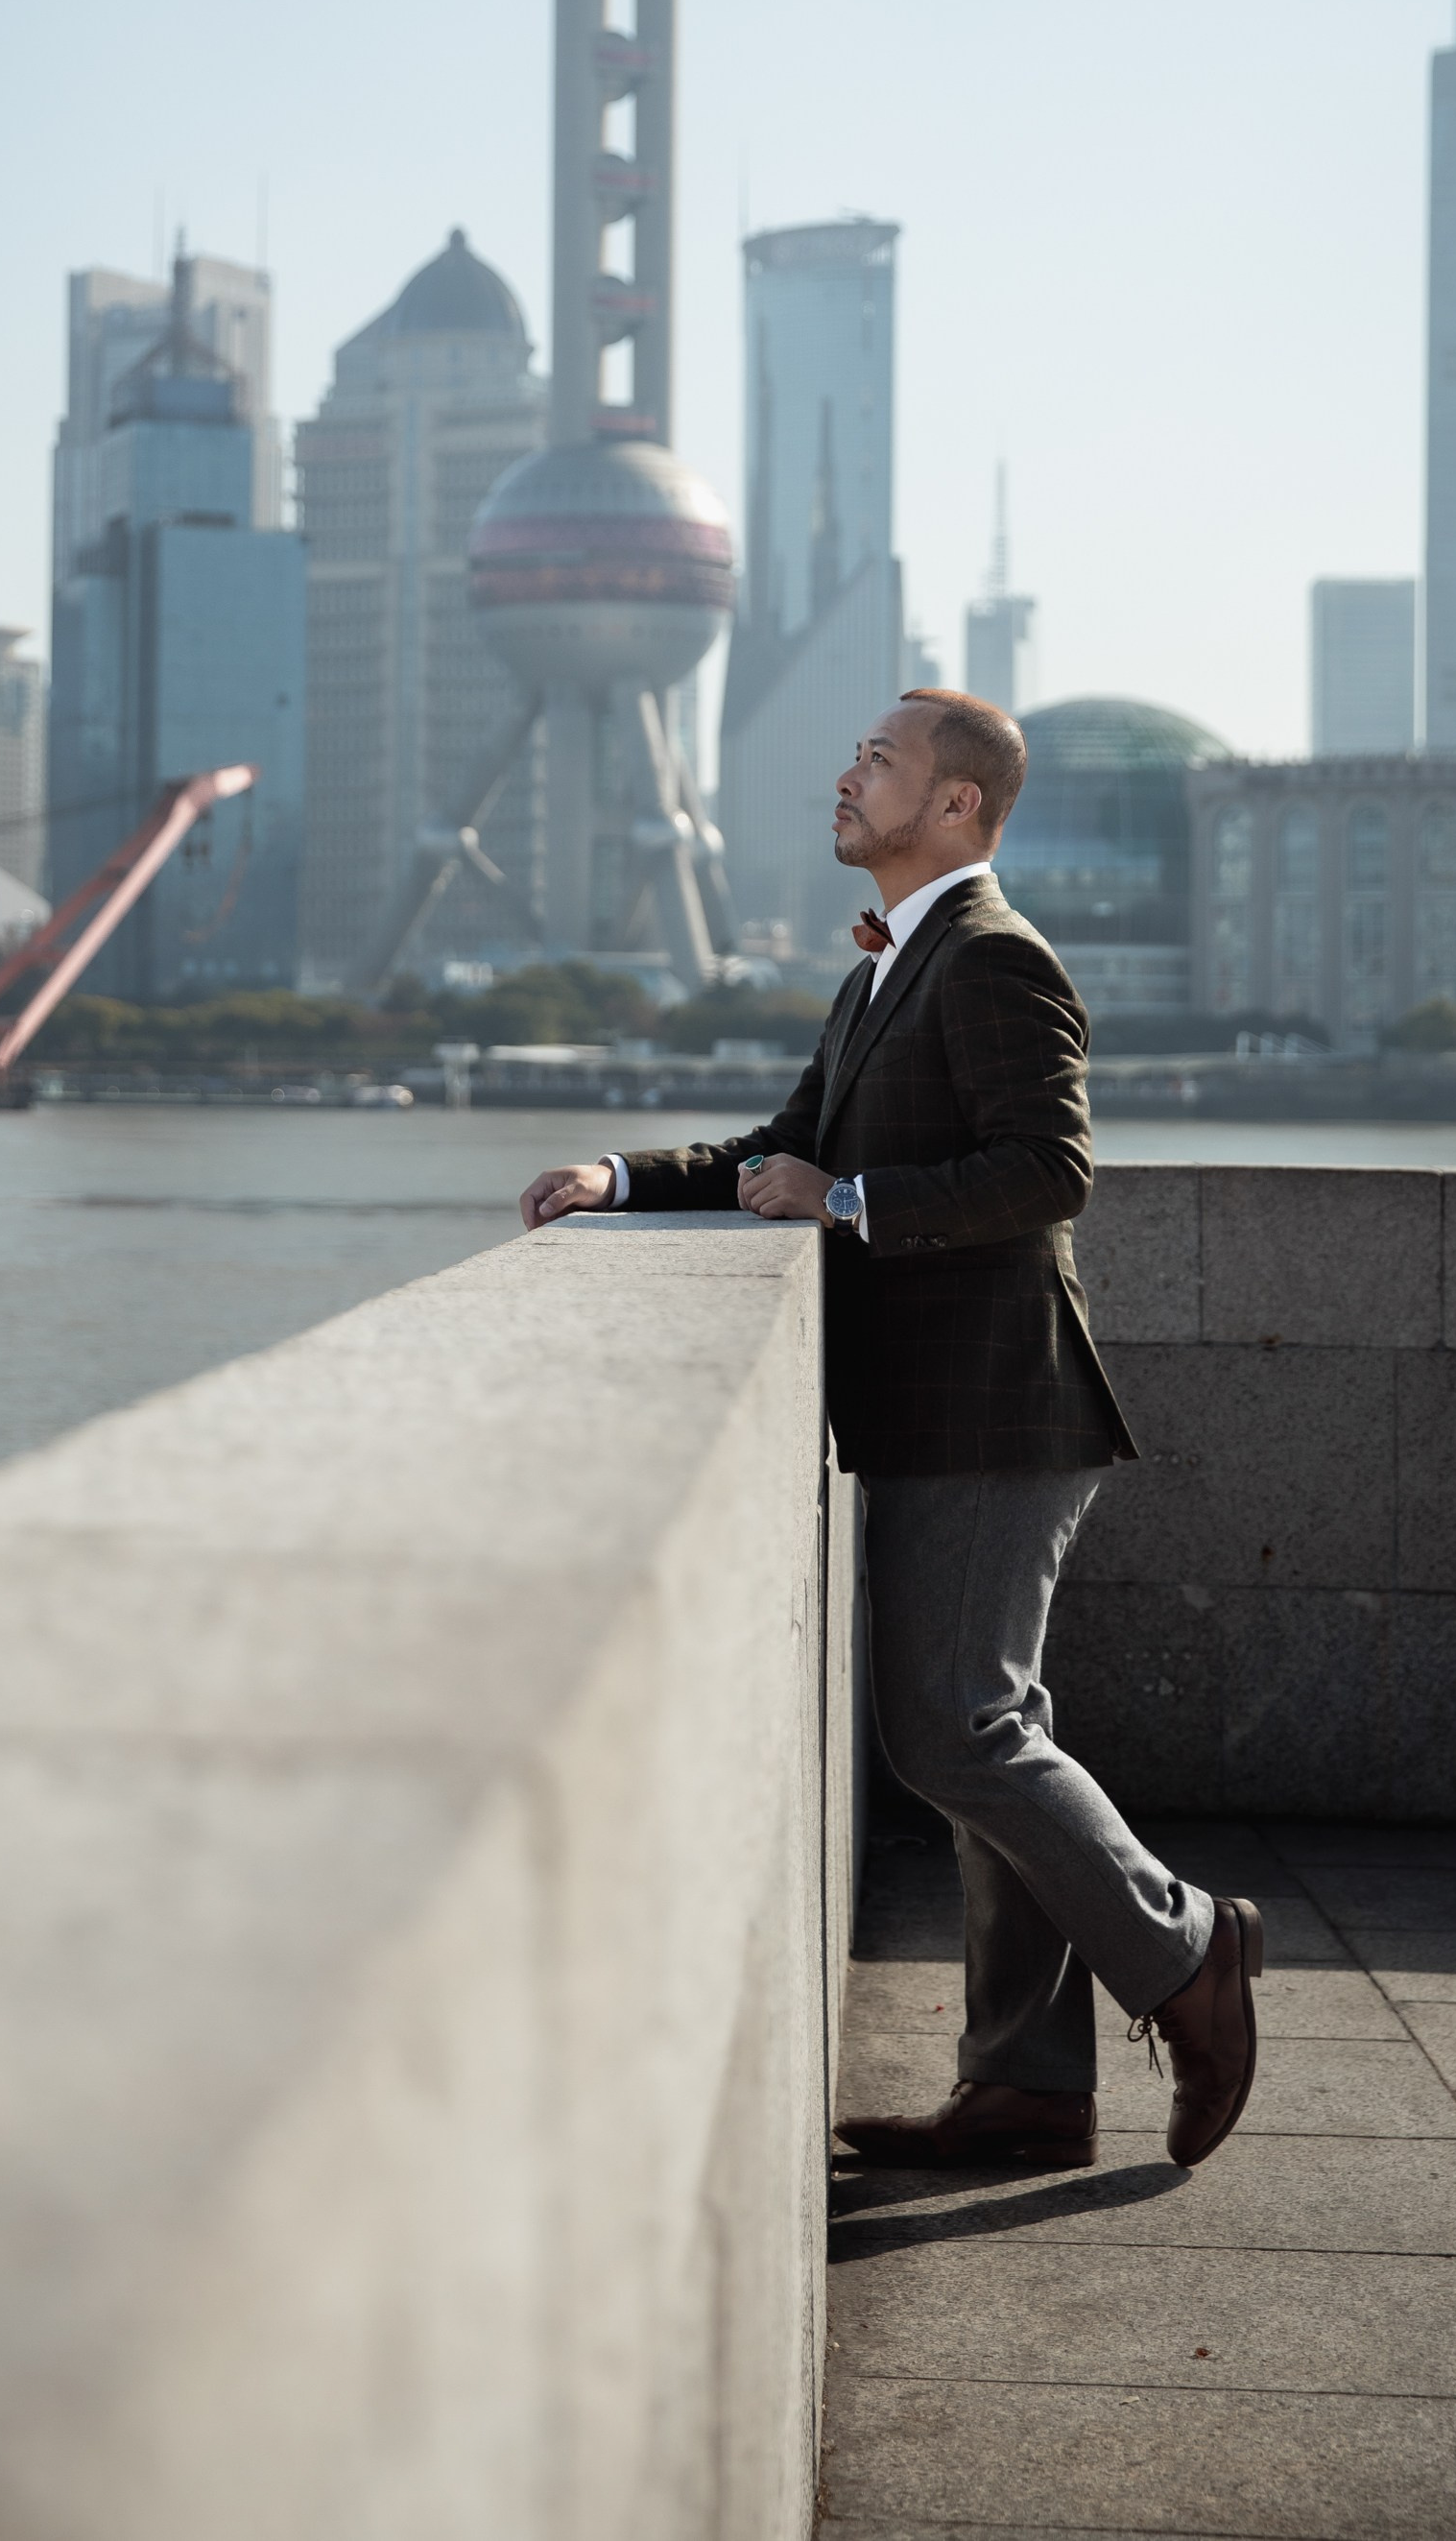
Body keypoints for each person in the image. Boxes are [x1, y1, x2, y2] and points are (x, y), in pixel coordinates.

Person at [518, 688, 1261, 2174]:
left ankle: (1188, 1953)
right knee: (989, 1733)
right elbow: (774, 1155)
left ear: (959, 807)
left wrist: (852, 1203)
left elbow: (1047, 1169)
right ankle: (1028, 2090)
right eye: (852, 753)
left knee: (953, 1730)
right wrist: (619, 1172)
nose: (844, 777)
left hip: (994, 1406)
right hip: (936, 1407)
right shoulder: (882, 976)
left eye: (878, 762)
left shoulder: (991, 961)